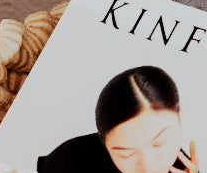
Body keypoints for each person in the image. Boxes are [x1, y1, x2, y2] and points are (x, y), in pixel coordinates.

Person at [37, 68, 193, 173]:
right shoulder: (67, 162)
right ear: (104, 143)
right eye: (127, 155)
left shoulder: (182, 167)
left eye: (160, 143)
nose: (147, 166)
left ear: (180, 115)